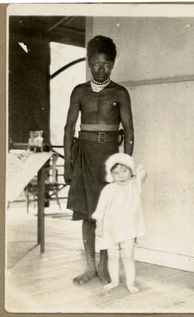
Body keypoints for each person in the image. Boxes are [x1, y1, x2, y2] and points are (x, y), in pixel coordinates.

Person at [64, 35, 134, 285]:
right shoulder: (79, 92)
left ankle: (105, 266)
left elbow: (130, 132)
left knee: (107, 215)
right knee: (87, 214)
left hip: (109, 159)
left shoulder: (120, 93)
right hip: (83, 154)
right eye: (95, 63)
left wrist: (125, 167)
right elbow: (68, 128)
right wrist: (67, 164)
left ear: (112, 64)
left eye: (106, 64)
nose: (100, 68)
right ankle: (90, 267)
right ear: (89, 63)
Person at [92, 153, 146, 293]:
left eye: (124, 171)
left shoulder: (133, 186)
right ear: (110, 174)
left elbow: (143, 174)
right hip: (111, 228)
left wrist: (135, 171)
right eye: (116, 173)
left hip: (128, 228)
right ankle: (114, 281)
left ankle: (131, 283)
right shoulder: (109, 189)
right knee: (112, 256)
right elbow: (100, 209)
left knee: (128, 256)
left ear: (130, 172)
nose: (120, 175)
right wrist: (99, 225)